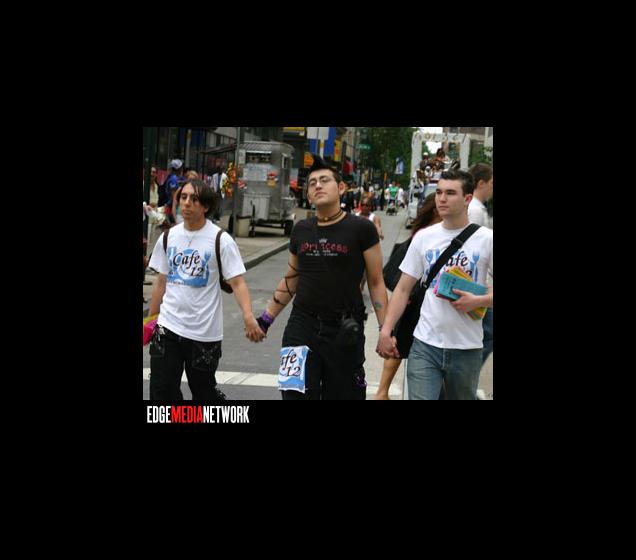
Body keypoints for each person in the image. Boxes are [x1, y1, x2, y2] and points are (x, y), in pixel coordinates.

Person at [252, 155, 388, 400]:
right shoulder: (301, 230)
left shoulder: (362, 229)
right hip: (300, 327)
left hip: (344, 330)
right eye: (312, 183)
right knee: (293, 394)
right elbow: (292, 277)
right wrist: (266, 319)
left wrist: (385, 329)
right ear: (308, 194)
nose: (317, 185)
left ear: (341, 188)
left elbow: (376, 282)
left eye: (324, 180)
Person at [376, 169, 493, 400]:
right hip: (425, 345)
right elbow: (403, 289)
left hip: (467, 348)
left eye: (450, 193)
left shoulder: (486, 239)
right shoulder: (424, 237)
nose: (441, 198)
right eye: (439, 192)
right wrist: (386, 330)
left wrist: (478, 301)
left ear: (467, 198)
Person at [147, 179, 265, 400]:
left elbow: (238, 282)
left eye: (194, 199)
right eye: (183, 197)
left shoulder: (221, 240)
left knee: (204, 394)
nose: (187, 203)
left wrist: (248, 316)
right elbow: (161, 281)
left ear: (206, 206)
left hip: (203, 333)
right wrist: (151, 321)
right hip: (167, 327)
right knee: (162, 391)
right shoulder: (168, 236)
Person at [374, 193, 441, 399]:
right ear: (435, 211)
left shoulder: (424, 232)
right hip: (415, 301)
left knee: (401, 346)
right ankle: (382, 392)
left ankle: (382, 392)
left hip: (417, 301)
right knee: (402, 346)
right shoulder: (425, 236)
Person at [467, 163, 494, 366]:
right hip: (480, 283)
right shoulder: (474, 210)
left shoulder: (477, 209)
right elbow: (473, 247)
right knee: (487, 335)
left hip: (481, 283)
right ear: (481, 183)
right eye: (491, 183)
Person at [163, 159, 185, 226]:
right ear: (178, 168)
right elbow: (174, 197)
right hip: (172, 208)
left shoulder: (178, 178)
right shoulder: (173, 179)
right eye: (181, 167)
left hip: (173, 207)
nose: (182, 169)